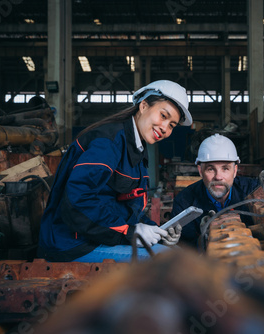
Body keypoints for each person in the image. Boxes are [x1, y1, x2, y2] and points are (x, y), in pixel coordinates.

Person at [37, 80, 192, 262]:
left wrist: (156, 230)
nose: (165, 128)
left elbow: (125, 208)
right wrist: (130, 231)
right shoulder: (108, 143)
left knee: (175, 253)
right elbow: (77, 202)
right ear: (143, 106)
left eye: (172, 125)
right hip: (72, 244)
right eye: (163, 116)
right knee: (171, 262)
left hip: (100, 237)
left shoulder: (137, 150)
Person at [170, 133, 264, 248]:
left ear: (235, 170)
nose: (218, 177)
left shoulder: (252, 189)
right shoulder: (184, 202)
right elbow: (184, 249)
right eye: (211, 169)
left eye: (225, 168)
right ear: (200, 171)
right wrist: (203, 240)